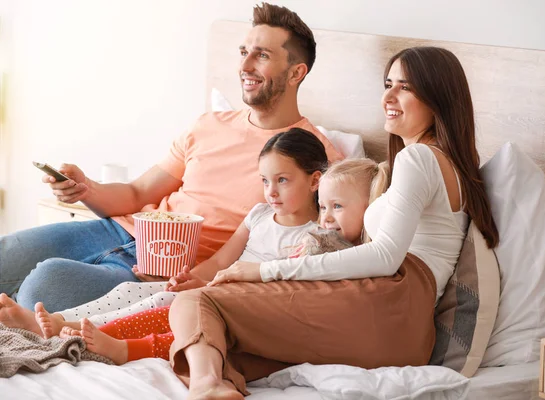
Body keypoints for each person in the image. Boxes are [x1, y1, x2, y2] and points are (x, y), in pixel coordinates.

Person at [167, 46, 500, 400]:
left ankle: (204, 387)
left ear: (438, 97)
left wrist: (267, 271)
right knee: (227, 349)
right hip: (405, 333)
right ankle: (214, 383)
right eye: (388, 84)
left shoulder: (419, 158)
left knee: (198, 301)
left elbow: (385, 257)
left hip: (391, 305)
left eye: (406, 87)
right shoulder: (451, 166)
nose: (388, 96)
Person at [0, 2, 342, 324]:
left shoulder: (316, 158)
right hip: (119, 230)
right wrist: (85, 188)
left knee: (43, 285)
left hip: (170, 269)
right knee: (7, 253)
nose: (245, 65)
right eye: (243, 52)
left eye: (262, 55)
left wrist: (193, 277)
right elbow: (136, 193)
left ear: (296, 72)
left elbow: (310, 245)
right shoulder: (209, 124)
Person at [52, 140, 389, 367]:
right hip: (218, 288)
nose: (271, 191)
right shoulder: (259, 215)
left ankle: (96, 336)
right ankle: (64, 322)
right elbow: (219, 263)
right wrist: (189, 278)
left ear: (315, 181)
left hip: (242, 305)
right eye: (265, 180)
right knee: (140, 292)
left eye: (282, 180)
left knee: (171, 315)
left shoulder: (320, 237)